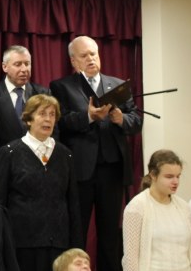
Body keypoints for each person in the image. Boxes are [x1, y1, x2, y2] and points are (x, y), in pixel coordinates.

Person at [50, 35, 143, 271]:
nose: (91, 59)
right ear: (73, 61)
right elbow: (61, 123)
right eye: (84, 56)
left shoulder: (117, 85)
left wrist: (121, 119)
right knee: (77, 231)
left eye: (94, 54)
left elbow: (136, 120)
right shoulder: (61, 86)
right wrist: (89, 117)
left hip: (112, 170)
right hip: (80, 171)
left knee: (110, 233)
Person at [0, 94, 82, 271]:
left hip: (58, 243)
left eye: (52, 114)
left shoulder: (65, 154)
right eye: (42, 113)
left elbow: (73, 203)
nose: (48, 119)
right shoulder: (9, 153)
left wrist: (76, 246)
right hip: (22, 244)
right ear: (29, 119)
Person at [122, 149, 191, 271]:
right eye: (169, 177)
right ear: (153, 175)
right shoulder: (137, 207)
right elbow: (130, 258)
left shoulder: (184, 207)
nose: (175, 182)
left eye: (178, 176)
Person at [0, 45, 51, 144]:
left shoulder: (42, 93)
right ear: (4, 67)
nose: (24, 69)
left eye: (27, 64)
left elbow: (52, 129)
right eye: (18, 64)